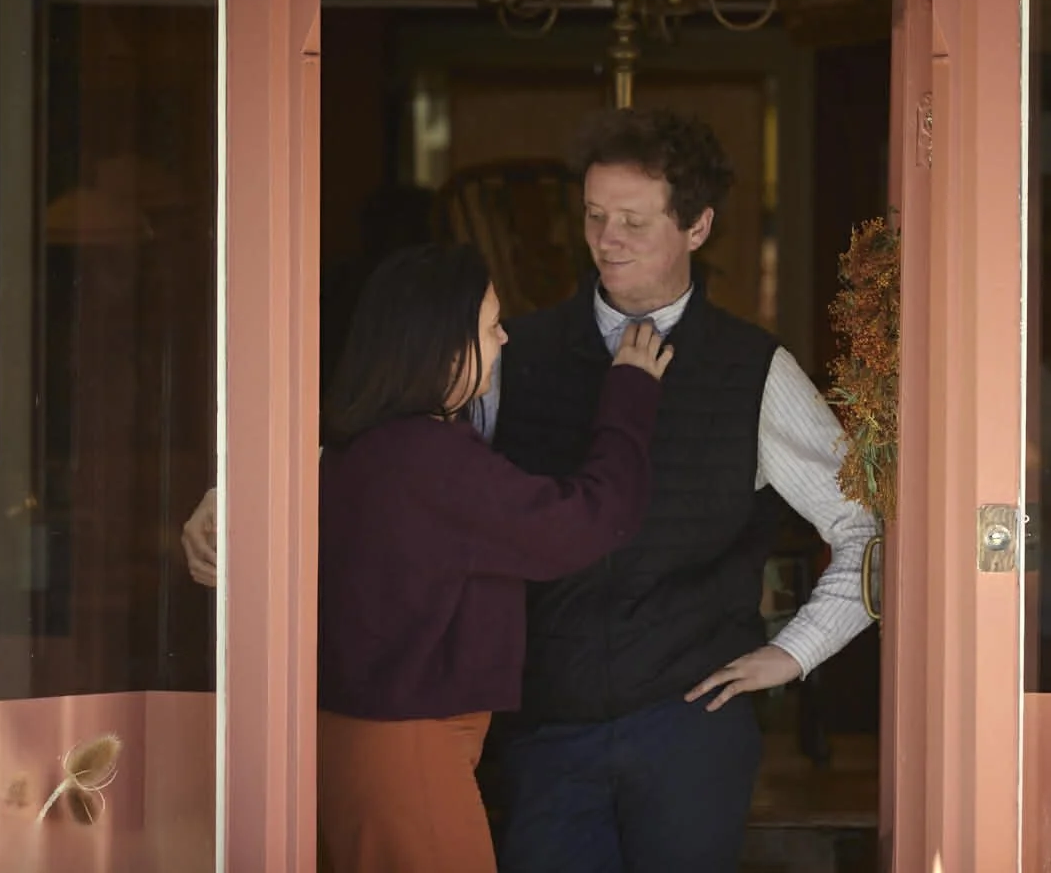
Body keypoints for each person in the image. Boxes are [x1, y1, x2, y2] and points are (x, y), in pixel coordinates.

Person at [182, 108, 879, 872]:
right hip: (541, 731)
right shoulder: (509, 348)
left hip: (691, 733)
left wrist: (795, 653)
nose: (607, 239)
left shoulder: (757, 368)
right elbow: (393, 462)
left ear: (699, 227)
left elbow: (863, 528)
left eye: (635, 223)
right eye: (594, 216)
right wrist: (243, 500)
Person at [312, 242, 673, 872]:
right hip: (407, 750)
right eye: (490, 326)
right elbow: (585, 524)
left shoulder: (352, 450)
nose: (505, 339)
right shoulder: (431, 460)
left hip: (349, 742)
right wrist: (630, 395)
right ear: (444, 346)